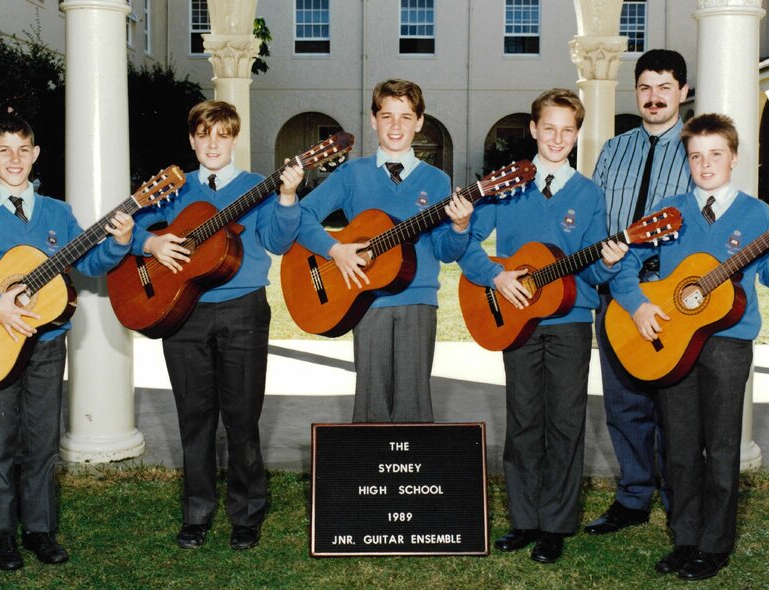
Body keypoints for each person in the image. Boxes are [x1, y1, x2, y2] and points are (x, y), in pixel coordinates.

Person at [0, 114, 135, 570]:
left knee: (41, 442)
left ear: (36, 154)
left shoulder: (58, 213)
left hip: (45, 344)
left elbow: (92, 261)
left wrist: (119, 242)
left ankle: (39, 530)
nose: (15, 159)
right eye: (4, 150)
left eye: (23, 149)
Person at [609, 113, 769, 580]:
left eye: (716, 154)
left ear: (734, 157)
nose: (706, 164)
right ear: (687, 160)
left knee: (720, 447)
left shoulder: (755, 214)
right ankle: (685, 537)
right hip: (674, 344)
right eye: (696, 156)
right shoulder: (670, 210)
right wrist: (637, 305)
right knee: (678, 447)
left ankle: (714, 545)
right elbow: (625, 261)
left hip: (728, 345)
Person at [458, 89, 628, 564]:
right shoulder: (508, 185)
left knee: (567, 422)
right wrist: (495, 275)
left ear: (578, 134)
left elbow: (592, 270)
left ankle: (556, 524)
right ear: (533, 129)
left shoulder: (589, 193)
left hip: (571, 323)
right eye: (548, 128)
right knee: (523, 419)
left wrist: (610, 263)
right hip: (517, 319)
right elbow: (468, 243)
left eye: (567, 130)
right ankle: (524, 519)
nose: (558, 138)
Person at [131, 100, 303, 551]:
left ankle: (247, 513)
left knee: (242, 419)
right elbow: (127, 230)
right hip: (181, 312)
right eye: (204, 134)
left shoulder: (256, 188)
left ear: (234, 139)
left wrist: (286, 198)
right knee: (194, 418)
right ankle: (197, 513)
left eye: (222, 135)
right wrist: (151, 242)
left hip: (243, 310)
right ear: (191, 139)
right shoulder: (172, 188)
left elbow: (279, 242)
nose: (212, 143)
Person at [294, 79, 473, 423]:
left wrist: (460, 228)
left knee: (414, 406)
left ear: (420, 122)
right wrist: (335, 250)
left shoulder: (437, 181)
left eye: (406, 117)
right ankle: (367, 475)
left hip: (418, 300)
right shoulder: (352, 174)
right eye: (387, 116)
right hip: (367, 300)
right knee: (370, 405)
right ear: (373, 120)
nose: (396, 125)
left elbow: (445, 251)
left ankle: (413, 475)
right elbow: (302, 215)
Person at [586, 48, 694, 535]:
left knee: (672, 401)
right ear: (636, 92)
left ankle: (679, 497)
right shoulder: (614, 149)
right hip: (615, 289)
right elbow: (595, 217)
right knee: (623, 399)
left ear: (683, 93)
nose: (654, 98)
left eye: (664, 88)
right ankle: (633, 496)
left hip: (670, 294)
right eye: (646, 87)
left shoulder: (696, 150)